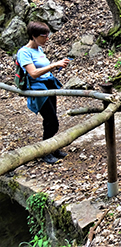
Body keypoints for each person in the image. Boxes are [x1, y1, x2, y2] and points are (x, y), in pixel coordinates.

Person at [16, 21, 71, 164]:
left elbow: (44, 68)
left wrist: (57, 64)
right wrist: (54, 64)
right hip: (38, 90)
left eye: (47, 35)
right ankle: (45, 151)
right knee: (52, 121)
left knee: (51, 121)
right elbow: (33, 73)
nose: (47, 39)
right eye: (43, 36)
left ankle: (52, 148)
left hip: (48, 86)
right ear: (33, 36)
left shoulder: (39, 50)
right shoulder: (24, 52)